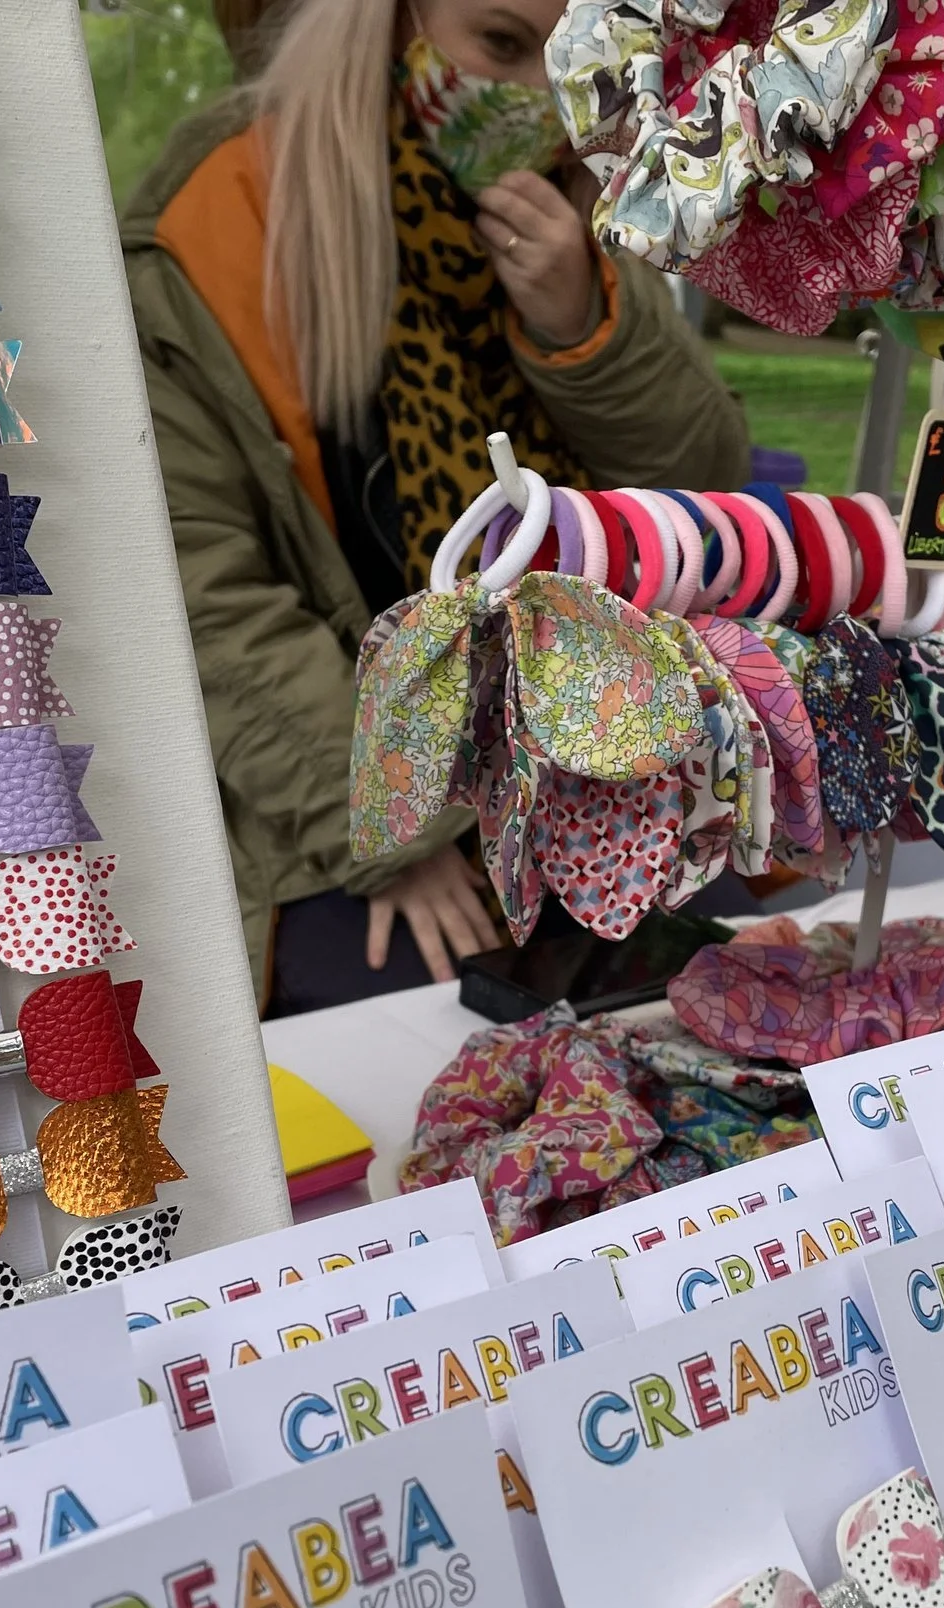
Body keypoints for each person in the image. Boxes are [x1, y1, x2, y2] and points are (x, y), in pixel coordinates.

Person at [122, 0, 751, 1013]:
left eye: (570, 65)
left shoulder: (585, 200)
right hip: (339, 798)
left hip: (591, 769)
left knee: (715, 996)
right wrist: (392, 832)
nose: (530, 101)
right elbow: (202, 597)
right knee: (430, 1026)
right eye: (498, 46)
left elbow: (702, 481)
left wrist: (582, 325)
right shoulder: (214, 224)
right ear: (388, 20)